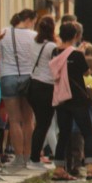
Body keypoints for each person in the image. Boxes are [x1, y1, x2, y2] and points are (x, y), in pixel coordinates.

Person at [49, 21, 92, 181]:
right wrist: (80, 53)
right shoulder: (77, 55)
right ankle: (91, 168)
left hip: (61, 99)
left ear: (60, 35)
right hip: (77, 99)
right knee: (87, 133)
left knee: (63, 134)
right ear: (75, 36)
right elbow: (86, 72)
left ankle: (59, 168)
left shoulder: (55, 52)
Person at [0, 9, 37, 171]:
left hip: (8, 76)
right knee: (28, 120)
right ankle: (28, 157)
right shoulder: (34, 36)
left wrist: (1, 76)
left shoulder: (4, 33)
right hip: (28, 77)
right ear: (29, 20)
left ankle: (18, 158)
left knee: (13, 120)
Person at [27, 16, 57, 168]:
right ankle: (34, 159)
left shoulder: (34, 43)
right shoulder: (51, 46)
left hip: (33, 84)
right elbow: (56, 66)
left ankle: (34, 156)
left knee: (39, 123)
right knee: (43, 124)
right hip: (47, 86)